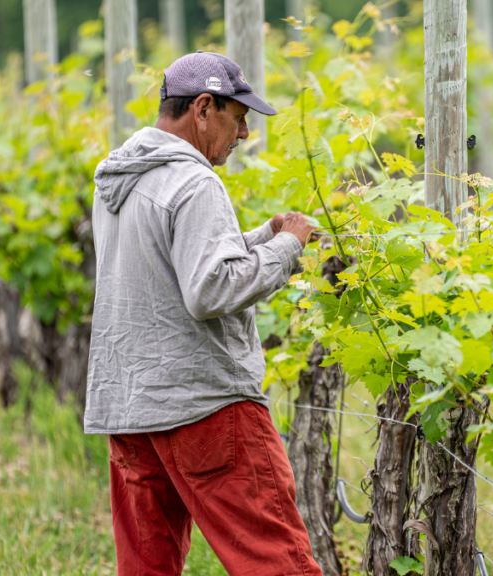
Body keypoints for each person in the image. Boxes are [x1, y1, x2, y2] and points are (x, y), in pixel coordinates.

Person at [85, 51, 322, 576]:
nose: (242, 136)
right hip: (204, 406)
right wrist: (287, 250)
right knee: (276, 562)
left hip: (130, 406)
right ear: (203, 107)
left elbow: (171, 266)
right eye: (238, 120)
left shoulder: (120, 181)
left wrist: (263, 236)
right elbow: (209, 289)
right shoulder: (195, 182)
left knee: (148, 566)